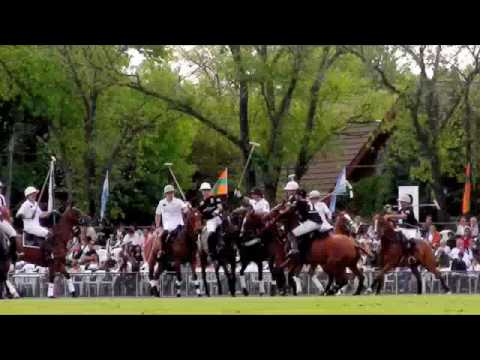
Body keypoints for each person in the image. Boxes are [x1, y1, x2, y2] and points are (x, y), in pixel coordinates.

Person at [286, 189, 329, 258]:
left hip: (312, 223)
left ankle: (295, 249)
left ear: (299, 196)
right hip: (319, 222)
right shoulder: (308, 202)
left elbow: (288, 209)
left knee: (292, 233)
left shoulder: (298, 203)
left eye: (296, 195)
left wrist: (289, 204)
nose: (295, 196)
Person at [155, 184, 189, 255]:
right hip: (168, 227)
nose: (170, 194)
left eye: (171, 192)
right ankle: (162, 251)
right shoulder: (161, 203)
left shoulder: (178, 201)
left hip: (179, 225)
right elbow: (158, 215)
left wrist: (187, 207)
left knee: (189, 236)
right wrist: (157, 227)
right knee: (162, 236)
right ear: (165, 194)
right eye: (168, 193)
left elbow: (185, 209)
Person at [385, 193, 419, 263]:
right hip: (405, 229)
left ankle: (411, 256)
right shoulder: (402, 209)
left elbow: (404, 216)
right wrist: (389, 214)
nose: (400, 203)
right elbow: (396, 217)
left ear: (405, 202)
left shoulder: (409, 209)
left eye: (401, 201)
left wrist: (390, 216)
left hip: (412, 229)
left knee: (406, 240)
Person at [198, 182, 223, 259]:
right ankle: (211, 252)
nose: (205, 192)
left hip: (217, 217)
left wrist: (217, 211)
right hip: (209, 221)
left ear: (210, 190)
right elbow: (198, 213)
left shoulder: (215, 198)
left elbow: (220, 207)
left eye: (207, 190)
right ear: (201, 192)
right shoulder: (201, 203)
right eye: (203, 190)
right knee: (210, 234)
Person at [0, 181, 20, 261]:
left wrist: (9, 217)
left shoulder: (1, 197)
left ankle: (12, 255)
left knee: (13, 233)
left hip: (1, 220)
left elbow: (4, 209)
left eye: (1, 188)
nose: (0, 189)